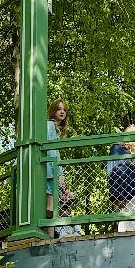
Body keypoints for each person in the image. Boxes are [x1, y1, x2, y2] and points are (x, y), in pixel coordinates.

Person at [45, 100, 78, 238]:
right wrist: (59, 173)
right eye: (59, 109)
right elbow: (51, 151)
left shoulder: (55, 128)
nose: (62, 112)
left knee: (51, 205)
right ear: (53, 111)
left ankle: (50, 236)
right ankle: (50, 237)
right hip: (49, 170)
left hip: (49, 168)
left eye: (64, 109)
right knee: (50, 206)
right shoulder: (50, 125)